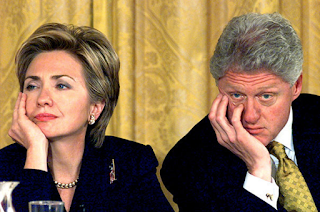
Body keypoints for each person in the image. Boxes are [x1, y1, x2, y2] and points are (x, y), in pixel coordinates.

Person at [0, 23, 173, 212]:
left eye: (61, 86)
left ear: (95, 107)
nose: (42, 99)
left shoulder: (130, 164)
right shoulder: (3, 167)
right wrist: (35, 155)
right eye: (32, 86)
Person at [161, 12, 320, 211]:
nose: (250, 116)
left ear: (296, 86)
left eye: (266, 97)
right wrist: (259, 171)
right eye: (236, 95)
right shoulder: (189, 165)